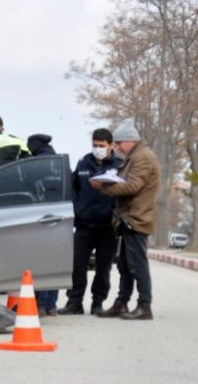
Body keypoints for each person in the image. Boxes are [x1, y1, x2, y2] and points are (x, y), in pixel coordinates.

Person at [91, 119, 159, 320]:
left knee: (137, 265)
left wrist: (105, 187)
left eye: (119, 143)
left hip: (137, 218)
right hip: (128, 218)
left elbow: (133, 186)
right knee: (125, 266)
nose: (117, 146)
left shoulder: (143, 157)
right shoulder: (134, 156)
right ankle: (121, 303)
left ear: (130, 140)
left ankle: (144, 306)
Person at [58, 128, 120, 315]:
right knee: (77, 266)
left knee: (103, 268)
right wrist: (77, 208)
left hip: (108, 226)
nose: (97, 149)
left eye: (101, 146)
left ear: (111, 146)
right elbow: (74, 186)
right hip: (84, 225)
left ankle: (97, 303)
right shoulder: (84, 162)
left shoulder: (119, 165)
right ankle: (74, 302)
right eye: (95, 145)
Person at [28, 134, 59, 316]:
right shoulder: (59, 162)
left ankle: (40, 304)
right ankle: (51, 306)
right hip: (61, 216)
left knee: (42, 263)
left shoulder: (36, 164)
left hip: (41, 216)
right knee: (54, 263)